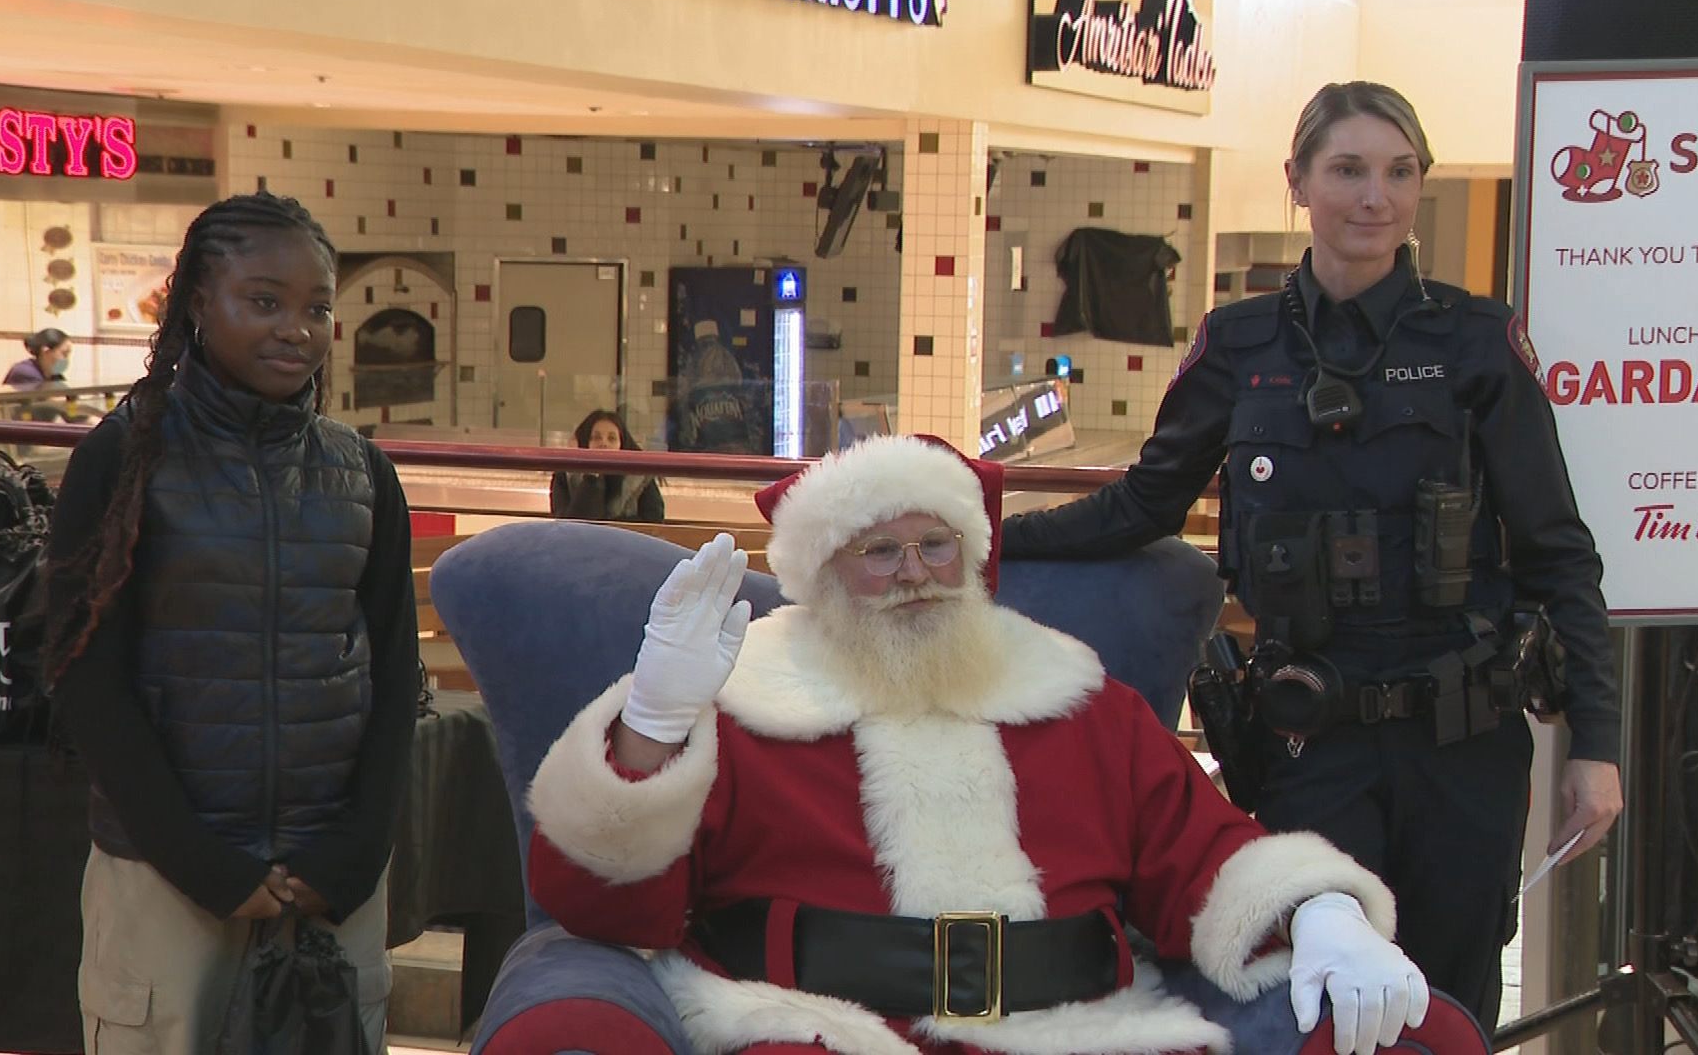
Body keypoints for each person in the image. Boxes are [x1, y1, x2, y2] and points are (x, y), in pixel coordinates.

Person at [999, 81, 1623, 1032]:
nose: (1376, 198)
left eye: (1400, 173)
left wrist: (1598, 745)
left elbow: (1559, 556)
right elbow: (1143, 505)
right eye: (1349, 171)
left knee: (1449, 1000)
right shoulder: (1238, 346)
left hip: (1460, 740)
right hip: (1308, 739)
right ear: (1298, 183)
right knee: (1321, 999)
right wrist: (985, 531)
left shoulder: (1476, 343)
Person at [526, 434, 1431, 1055]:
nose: (914, 573)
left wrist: (1322, 914)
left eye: (936, 544)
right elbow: (607, 913)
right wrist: (653, 724)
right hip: (820, 1027)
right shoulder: (739, 694)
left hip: (1076, 1027)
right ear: (822, 574)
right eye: (878, 551)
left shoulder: (1081, 702)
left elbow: (1201, 847)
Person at [41, 192, 419, 1054]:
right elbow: (84, 675)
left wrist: (355, 855)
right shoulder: (124, 458)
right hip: (167, 880)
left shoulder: (363, 475)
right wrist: (204, 866)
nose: (296, 328)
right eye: (264, 301)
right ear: (199, 307)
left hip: (330, 887)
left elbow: (396, 674)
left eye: (317, 307)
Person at [550, 408, 665, 522]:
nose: (604, 444)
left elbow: (653, 522)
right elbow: (568, 527)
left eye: (612, 438)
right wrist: (591, 477)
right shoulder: (565, 475)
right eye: (596, 438)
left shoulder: (640, 476)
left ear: (622, 444)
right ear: (584, 442)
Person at [3, 327, 73, 390]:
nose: (67, 358)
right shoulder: (24, 372)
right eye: (64, 353)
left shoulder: (56, 376)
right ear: (46, 351)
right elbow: (46, 401)